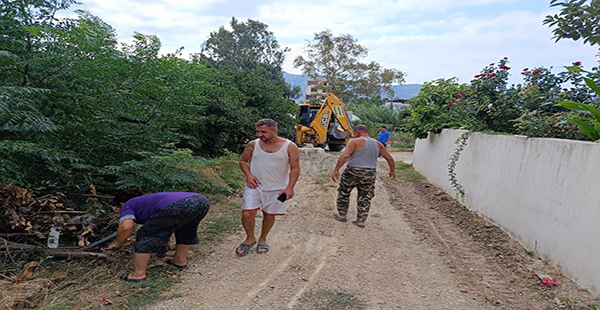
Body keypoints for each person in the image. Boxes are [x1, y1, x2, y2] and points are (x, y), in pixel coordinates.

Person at [107, 189, 210, 282]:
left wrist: (118, 244)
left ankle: (138, 274)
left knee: (145, 235)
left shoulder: (127, 205)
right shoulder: (146, 202)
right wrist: (168, 239)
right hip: (201, 201)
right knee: (185, 229)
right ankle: (179, 260)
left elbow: (126, 227)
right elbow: (166, 222)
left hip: (181, 205)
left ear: (121, 204)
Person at [236, 118, 300, 256]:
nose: (260, 135)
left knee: (269, 215)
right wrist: (248, 175)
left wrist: (290, 188)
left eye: (263, 132)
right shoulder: (253, 144)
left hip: (278, 189)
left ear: (275, 131)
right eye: (258, 131)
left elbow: (295, 168)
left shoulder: (290, 146)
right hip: (254, 186)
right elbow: (243, 161)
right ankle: (249, 238)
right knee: (247, 213)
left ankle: (263, 239)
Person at [332, 125, 396, 228]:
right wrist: (392, 171)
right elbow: (390, 158)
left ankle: (342, 215)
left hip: (353, 171)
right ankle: (360, 221)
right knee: (365, 196)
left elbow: (345, 156)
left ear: (357, 132)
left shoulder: (354, 142)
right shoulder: (378, 144)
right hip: (369, 173)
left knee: (344, 192)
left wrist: (336, 170)